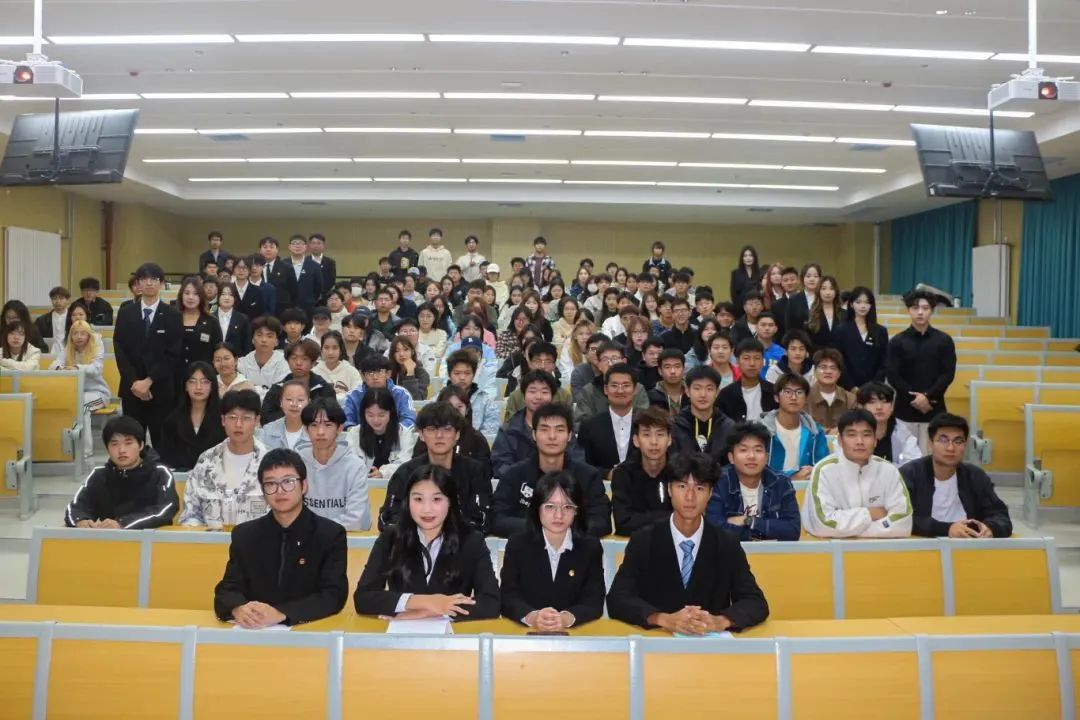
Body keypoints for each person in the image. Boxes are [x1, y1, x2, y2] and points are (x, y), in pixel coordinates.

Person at [607, 452, 769, 633]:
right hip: (659, 641)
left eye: (699, 488)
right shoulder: (644, 540)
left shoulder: (726, 543)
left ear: (710, 493)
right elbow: (617, 599)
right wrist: (662, 619)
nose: (690, 497)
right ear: (669, 490)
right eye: (682, 486)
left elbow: (756, 602)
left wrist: (721, 621)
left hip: (708, 641)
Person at [214, 447, 348, 627]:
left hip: (308, 631)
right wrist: (237, 608)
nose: (280, 490)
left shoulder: (329, 534)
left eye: (288, 481)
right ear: (263, 490)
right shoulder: (245, 535)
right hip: (253, 632)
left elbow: (333, 596)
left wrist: (282, 613)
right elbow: (227, 589)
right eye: (271, 484)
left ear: (304, 486)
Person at [355, 464, 500, 621]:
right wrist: (421, 602)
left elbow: (491, 602)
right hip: (400, 631)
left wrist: (433, 612)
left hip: (452, 633)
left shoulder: (471, 540)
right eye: (418, 499)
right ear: (407, 501)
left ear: (451, 502)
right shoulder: (391, 537)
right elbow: (363, 597)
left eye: (437, 499)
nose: (427, 509)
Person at [500, 471, 606, 629]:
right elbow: (508, 596)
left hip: (574, 634)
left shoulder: (590, 547)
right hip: (526, 633)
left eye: (567, 507)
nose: (559, 515)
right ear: (537, 508)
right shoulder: (518, 544)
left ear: (577, 510)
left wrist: (566, 618)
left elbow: (594, 600)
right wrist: (533, 617)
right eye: (550, 506)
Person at [493, 403, 611, 538]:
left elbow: (601, 521)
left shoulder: (588, 476)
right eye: (544, 429)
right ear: (534, 434)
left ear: (569, 435)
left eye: (559, 430)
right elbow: (498, 519)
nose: (552, 436)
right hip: (528, 546)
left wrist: (562, 528)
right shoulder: (513, 475)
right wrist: (542, 527)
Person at [378, 402, 492, 533]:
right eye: (432, 429)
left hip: (461, 542)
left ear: (457, 434)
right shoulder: (406, 472)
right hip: (414, 542)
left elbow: (482, 519)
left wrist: (444, 535)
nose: (439, 436)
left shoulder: (475, 472)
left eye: (447, 429)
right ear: (421, 434)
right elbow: (389, 519)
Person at [801, 409, 913, 538]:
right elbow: (822, 524)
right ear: (840, 440)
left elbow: (903, 523)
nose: (860, 441)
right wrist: (869, 514)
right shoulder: (824, 470)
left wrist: (853, 530)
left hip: (880, 549)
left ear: (875, 440)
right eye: (852, 435)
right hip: (834, 549)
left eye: (866, 435)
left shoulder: (889, 470)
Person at [900, 413, 1012, 539]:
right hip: (922, 544)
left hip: (968, 544)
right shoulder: (910, 474)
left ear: (965, 445)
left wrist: (991, 528)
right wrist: (947, 529)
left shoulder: (975, 476)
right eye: (943, 440)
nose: (950, 448)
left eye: (958, 441)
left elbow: (1000, 515)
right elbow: (900, 518)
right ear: (930, 444)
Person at [64, 415, 177, 528]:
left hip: (149, 537)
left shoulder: (160, 473)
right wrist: (81, 521)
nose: (121, 450)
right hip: (105, 537)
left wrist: (122, 523)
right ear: (107, 448)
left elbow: (165, 509)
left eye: (128, 443)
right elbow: (75, 508)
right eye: (114, 444)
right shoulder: (99, 474)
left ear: (141, 445)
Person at [113, 263, 183, 448]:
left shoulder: (173, 314)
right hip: (132, 389)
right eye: (144, 279)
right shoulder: (126, 313)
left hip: (161, 389)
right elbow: (120, 349)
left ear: (161, 284)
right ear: (137, 284)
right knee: (132, 441)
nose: (149, 283)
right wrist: (134, 382)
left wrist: (149, 380)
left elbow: (173, 353)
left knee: (163, 443)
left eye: (154, 279)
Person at [179, 389, 271, 527]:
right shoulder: (206, 461)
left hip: (258, 540)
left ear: (257, 421)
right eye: (232, 417)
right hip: (210, 540)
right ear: (223, 420)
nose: (238, 424)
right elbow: (191, 513)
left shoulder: (271, 462)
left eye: (246, 418)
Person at [705, 421, 801, 541]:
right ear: (731, 457)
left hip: (771, 552)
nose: (751, 456)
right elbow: (714, 529)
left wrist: (750, 521)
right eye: (743, 450)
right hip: (730, 551)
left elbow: (793, 530)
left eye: (758, 450)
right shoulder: (719, 483)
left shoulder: (781, 483)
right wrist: (756, 535)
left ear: (766, 458)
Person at [886, 290, 956, 451]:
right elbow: (893, 375)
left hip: (934, 409)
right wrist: (916, 398)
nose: (920, 312)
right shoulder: (897, 341)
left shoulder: (944, 340)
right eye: (915, 308)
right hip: (905, 410)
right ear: (908, 310)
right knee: (904, 457)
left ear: (932, 310)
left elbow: (947, 374)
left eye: (925, 308)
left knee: (932, 456)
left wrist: (927, 396)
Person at [296, 397, 371, 531]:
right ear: (306, 430)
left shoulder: (355, 466)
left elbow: (357, 520)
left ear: (339, 428)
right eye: (314, 425)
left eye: (328, 425)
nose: (320, 432)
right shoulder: (295, 464)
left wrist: (315, 530)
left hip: (344, 539)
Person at [491, 370, 570, 479]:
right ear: (524, 396)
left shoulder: (562, 427)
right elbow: (501, 466)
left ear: (552, 396)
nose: (538, 397)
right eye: (532, 391)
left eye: (544, 392)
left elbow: (576, 461)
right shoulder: (509, 430)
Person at [50, 319, 110, 457]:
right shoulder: (68, 349)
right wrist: (60, 368)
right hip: (75, 393)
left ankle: (85, 451)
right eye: (75, 333)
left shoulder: (96, 346)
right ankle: (65, 450)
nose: (79, 337)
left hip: (98, 392)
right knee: (73, 402)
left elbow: (97, 369)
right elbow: (53, 365)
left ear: (88, 335)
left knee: (82, 405)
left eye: (83, 333)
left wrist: (76, 368)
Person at [611, 407, 674, 536]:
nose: (654, 442)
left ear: (669, 439)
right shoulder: (623, 474)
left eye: (660, 434)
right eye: (646, 434)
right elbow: (623, 523)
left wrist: (641, 519)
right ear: (636, 440)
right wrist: (670, 518)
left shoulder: (680, 472)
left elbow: (688, 519)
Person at [159, 362, 228, 471]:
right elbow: (166, 459)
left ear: (212, 386)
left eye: (204, 382)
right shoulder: (172, 421)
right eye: (192, 382)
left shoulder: (225, 419)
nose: (198, 387)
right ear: (186, 386)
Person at [761, 373, 829, 479]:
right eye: (787, 392)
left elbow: (824, 467)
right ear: (776, 398)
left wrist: (813, 472)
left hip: (806, 487)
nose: (793, 397)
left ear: (806, 398)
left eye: (799, 392)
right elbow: (756, 471)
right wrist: (792, 477)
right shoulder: (761, 431)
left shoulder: (815, 432)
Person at [420, 385, 494, 477]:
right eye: (449, 406)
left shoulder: (477, 439)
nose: (453, 411)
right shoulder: (427, 435)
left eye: (459, 407)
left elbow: (485, 473)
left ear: (467, 410)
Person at [578, 363, 639, 474]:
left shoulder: (646, 423)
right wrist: (607, 473)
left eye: (626, 385)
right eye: (614, 386)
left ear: (635, 389)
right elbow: (583, 466)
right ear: (606, 389)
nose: (620, 391)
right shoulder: (589, 426)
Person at [573, 342, 650, 427]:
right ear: (599, 364)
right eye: (605, 359)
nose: (610, 363)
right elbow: (580, 424)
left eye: (615, 358)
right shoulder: (588, 391)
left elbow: (644, 419)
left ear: (624, 361)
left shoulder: (637, 388)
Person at [346, 387, 417, 479]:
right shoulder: (354, 433)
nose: (376, 420)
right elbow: (350, 462)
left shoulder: (404, 434)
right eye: (370, 415)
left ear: (391, 413)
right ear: (363, 414)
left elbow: (406, 464)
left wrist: (384, 473)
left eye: (381, 415)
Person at [672, 366, 736, 466]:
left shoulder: (729, 427)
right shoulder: (675, 426)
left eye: (709, 389)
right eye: (697, 388)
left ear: (717, 392)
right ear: (687, 391)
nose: (703, 394)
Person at [260, 339, 335, 424]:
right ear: (288, 361)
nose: (298, 363)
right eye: (294, 358)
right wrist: (292, 414)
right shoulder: (278, 389)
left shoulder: (324, 389)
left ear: (313, 363)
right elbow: (265, 418)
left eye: (305, 359)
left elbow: (332, 417)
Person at [834, 286, 889, 390]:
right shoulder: (841, 330)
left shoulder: (881, 331)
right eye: (858, 302)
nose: (863, 306)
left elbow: (884, 362)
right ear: (851, 304)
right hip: (847, 388)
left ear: (871, 305)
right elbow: (839, 360)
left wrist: (873, 386)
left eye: (867, 302)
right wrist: (851, 387)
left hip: (873, 389)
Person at [342, 354, 416, 429]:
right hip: (360, 435)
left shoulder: (401, 394)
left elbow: (409, 420)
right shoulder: (353, 396)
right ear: (363, 376)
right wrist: (359, 432)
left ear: (388, 374)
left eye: (379, 372)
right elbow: (346, 421)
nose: (375, 377)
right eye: (370, 373)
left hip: (395, 434)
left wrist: (391, 432)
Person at [718, 339, 778, 423]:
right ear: (737, 361)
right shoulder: (726, 395)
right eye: (746, 358)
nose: (752, 363)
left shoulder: (774, 392)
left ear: (762, 361)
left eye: (757, 358)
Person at [445, 349, 500, 437]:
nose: (462, 377)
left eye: (467, 373)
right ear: (449, 375)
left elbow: (490, 434)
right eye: (457, 373)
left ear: (474, 375)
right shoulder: (437, 400)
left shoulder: (487, 402)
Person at [177, 275, 223, 378]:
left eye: (196, 294)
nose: (191, 297)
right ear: (181, 295)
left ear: (201, 296)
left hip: (203, 377)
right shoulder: (172, 319)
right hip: (175, 376)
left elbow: (218, 351)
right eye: (187, 293)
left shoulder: (212, 321)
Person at [237, 316, 289, 399]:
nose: (264, 340)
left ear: (276, 341)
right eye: (259, 335)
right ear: (252, 339)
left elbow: (280, 392)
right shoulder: (241, 363)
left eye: (269, 336)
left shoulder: (285, 363)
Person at [807, 349, 857, 434]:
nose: (828, 371)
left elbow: (854, 425)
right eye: (823, 367)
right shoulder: (803, 397)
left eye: (833, 368)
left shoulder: (850, 399)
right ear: (814, 371)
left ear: (839, 373)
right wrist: (829, 432)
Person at [256, 378, 311, 451]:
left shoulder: (316, 432)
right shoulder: (268, 431)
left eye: (300, 400)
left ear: (308, 403)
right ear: (281, 402)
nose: (294, 404)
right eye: (289, 399)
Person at [314, 331, 361, 403]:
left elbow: (358, 396)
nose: (330, 352)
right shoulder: (314, 372)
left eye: (335, 348)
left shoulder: (352, 372)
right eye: (326, 348)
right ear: (321, 350)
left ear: (341, 350)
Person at [260, 236, 298, 313]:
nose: (268, 249)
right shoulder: (255, 268)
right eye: (265, 247)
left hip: (282, 309)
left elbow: (294, 291)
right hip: (260, 308)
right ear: (260, 250)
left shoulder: (287, 268)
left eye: (271, 247)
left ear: (277, 250)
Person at [648, 348, 689, 417]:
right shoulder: (651, 396)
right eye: (667, 367)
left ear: (684, 369)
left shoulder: (692, 394)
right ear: (660, 370)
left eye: (677, 366)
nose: (673, 371)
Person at [806, 276, 843, 351]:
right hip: (817, 355)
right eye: (823, 288)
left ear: (836, 292)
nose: (828, 292)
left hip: (840, 356)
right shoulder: (810, 314)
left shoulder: (844, 314)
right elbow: (808, 341)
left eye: (831, 288)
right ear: (818, 291)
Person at [214, 284, 252, 356]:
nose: (227, 297)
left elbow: (247, 345)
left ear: (235, 298)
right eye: (223, 294)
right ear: (218, 297)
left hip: (236, 359)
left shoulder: (242, 319)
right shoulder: (210, 317)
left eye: (231, 295)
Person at [389, 336, 430, 401]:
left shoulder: (421, 373)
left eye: (405, 350)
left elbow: (416, 400)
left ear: (412, 352)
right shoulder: (389, 372)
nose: (401, 354)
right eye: (397, 351)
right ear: (393, 354)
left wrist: (410, 374)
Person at [784, 263, 822, 333]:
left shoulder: (824, 298)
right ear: (802, 278)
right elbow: (789, 327)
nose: (812, 279)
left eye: (815, 276)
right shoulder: (793, 300)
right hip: (800, 338)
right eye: (808, 276)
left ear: (820, 279)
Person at [231, 255, 267, 322]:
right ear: (233, 270)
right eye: (238, 267)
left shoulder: (258, 291)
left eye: (244, 268)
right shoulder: (228, 289)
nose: (241, 270)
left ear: (250, 270)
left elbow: (262, 314)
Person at [35, 285, 70, 351]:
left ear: (68, 300)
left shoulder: (73, 318)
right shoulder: (42, 320)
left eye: (61, 298)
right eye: (54, 298)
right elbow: (37, 339)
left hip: (70, 351)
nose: (58, 301)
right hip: (49, 351)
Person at [306, 233, 336, 305]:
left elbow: (331, 280)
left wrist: (321, 293)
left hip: (324, 297)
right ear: (309, 245)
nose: (316, 246)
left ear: (324, 245)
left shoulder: (330, 262)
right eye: (313, 243)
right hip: (307, 296)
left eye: (319, 243)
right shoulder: (304, 261)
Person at [729, 245, 762, 310]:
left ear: (754, 258)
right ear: (742, 258)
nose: (748, 258)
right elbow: (733, 294)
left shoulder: (760, 272)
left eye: (751, 255)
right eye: (745, 256)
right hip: (740, 307)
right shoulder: (735, 273)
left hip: (757, 307)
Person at [755, 312, 784, 381]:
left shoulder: (782, 353)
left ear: (776, 329)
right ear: (756, 327)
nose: (767, 328)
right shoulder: (747, 350)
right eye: (763, 325)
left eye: (770, 325)